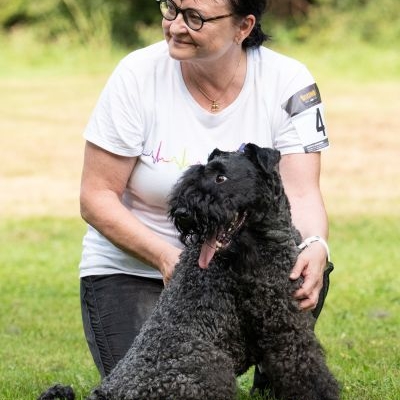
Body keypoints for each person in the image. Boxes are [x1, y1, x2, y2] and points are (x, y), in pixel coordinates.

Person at [79, 0, 333, 393]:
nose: (176, 26)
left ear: (243, 26)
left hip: (243, 264)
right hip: (135, 269)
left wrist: (316, 245)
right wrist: (168, 258)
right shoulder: (136, 75)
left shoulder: (288, 81)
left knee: (295, 275)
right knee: (157, 381)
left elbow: (301, 192)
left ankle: (277, 374)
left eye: (195, 17)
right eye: (172, 8)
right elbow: (96, 196)